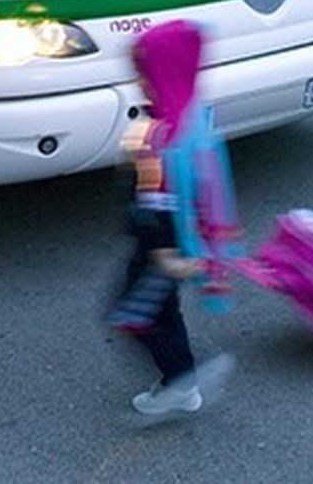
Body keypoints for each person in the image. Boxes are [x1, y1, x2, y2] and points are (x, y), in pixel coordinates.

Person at [108, 20, 236, 418]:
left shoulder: (162, 138)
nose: (141, 84)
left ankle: (180, 381)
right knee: (159, 312)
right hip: (173, 246)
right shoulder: (193, 122)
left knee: (135, 313)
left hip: (158, 251)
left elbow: (153, 206)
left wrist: (163, 253)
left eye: (145, 75)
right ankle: (179, 378)